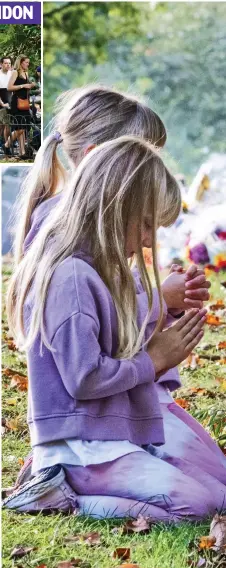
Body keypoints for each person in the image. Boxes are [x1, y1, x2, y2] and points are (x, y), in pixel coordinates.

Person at [4, 133, 226, 520]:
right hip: (81, 448)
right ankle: (64, 497)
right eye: (144, 224)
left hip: (111, 432)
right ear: (110, 206)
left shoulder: (105, 268)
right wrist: (153, 360)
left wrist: (166, 322)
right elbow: (85, 379)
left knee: (220, 495)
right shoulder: (71, 276)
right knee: (197, 505)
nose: (147, 239)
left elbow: (119, 341)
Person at [5, 55, 36, 159]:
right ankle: (7, 145)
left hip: (25, 102)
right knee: (20, 129)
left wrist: (30, 86)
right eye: (26, 62)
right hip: (17, 103)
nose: (28, 64)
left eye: (28, 62)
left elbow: (25, 88)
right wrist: (23, 86)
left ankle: (22, 152)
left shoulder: (26, 73)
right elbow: (9, 87)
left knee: (23, 128)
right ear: (21, 62)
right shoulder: (15, 72)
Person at [0, 56, 12, 146]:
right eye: (5, 63)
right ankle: (6, 147)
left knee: (6, 125)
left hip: (10, 102)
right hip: (2, 102)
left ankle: (6, 146)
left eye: (9, 63)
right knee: (3, 126)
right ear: (1, 64)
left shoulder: (11, 74)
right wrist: (2, 104)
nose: (8, 65)